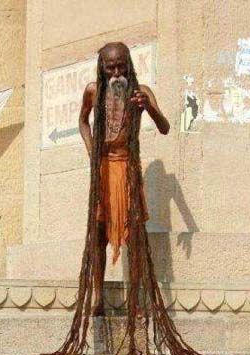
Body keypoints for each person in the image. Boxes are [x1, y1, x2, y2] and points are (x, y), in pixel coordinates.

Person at [79, 41, 170, 316]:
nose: (117, 73)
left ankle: (135, 300)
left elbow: (164, 128)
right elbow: (83, 122)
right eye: (111, 68)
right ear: (102, 68)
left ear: (128, 65)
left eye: (121, 66)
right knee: (98, 234)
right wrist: (92, 153)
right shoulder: (93, 91)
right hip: (103, 170)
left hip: (128, 168)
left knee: (134, 237)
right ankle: (98, 298)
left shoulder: (141, 92)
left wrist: (149, 108)